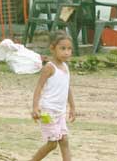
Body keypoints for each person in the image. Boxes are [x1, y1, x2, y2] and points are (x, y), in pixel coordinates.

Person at [30, 31, 76, 161]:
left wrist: (72, 107)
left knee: (64, 140)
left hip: (60, 112)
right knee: (52, 144)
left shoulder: (65, 67)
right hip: (47, 111)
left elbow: (67, 88)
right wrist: (35, 107)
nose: (66, 52)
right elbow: (39, 87)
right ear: (52, 48)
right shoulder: (49, 67)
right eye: (62, 48)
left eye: (69, 49)